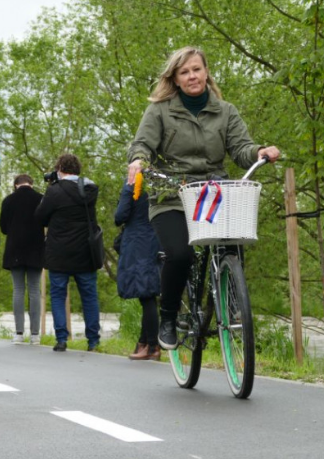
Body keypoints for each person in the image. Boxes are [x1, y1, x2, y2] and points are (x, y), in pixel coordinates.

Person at [127, 46, 281, 350]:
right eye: (184, 72)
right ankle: (169, 317)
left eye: (196, 69)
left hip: (212, 193)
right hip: (172, 194)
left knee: (231, 243)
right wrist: (138, 161)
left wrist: (259, 152)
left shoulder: (225, 111)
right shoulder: (159, 110)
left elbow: (241, 149)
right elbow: (142, 144)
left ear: (206, 72)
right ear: (175, 78)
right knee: (180, 255)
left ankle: (233, 299)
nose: (192, 76)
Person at [35, 154, 102, 352]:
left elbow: (40, 217)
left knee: (57, 294)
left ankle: (62, 338)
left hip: (59, 251)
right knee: (89, 296)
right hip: (85, 251)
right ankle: (93, 340)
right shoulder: (89, 190)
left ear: (60, 168)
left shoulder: (55, 191)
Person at [114, 181, 161, 360]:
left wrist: (126, 190)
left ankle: (153, 346)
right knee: (148, 293)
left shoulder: (134, 186)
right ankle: (143, 343)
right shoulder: (160, 184)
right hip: (156, 239)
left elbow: (120, 216)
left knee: (146, 295)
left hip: (138, 242)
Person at [0, 174, 45, 345]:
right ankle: (35, 335)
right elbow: (46, 221)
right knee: (34, 291)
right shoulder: (41, 199)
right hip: (36, 249)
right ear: (31, 184)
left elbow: (4, 228)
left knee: (18, 289)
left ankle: (18, 333)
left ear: (15, 185)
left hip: (15, 249)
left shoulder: (8, 200)